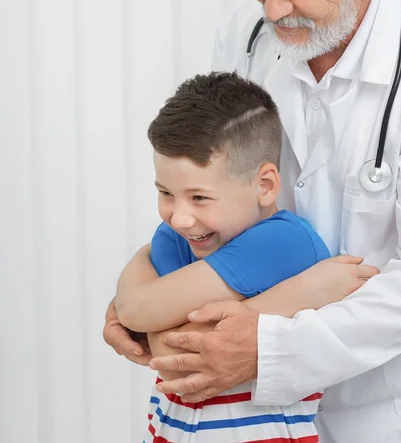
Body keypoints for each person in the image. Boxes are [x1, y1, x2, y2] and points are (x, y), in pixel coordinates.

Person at [105, 0, 401, 441]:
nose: (272, 8)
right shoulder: (248, 34)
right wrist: (143, 302)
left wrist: (264, 344)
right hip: (260, 411)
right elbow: (212, 191)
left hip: (398, 405)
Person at [114, 71, 375, 442]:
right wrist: (296, 296)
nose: (179, 216)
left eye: (199, 197)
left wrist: (143, 292)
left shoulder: (285, 242)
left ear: (265, 186)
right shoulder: (178, 236)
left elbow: (171, 348)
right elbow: (165, 348)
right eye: (165, 193)